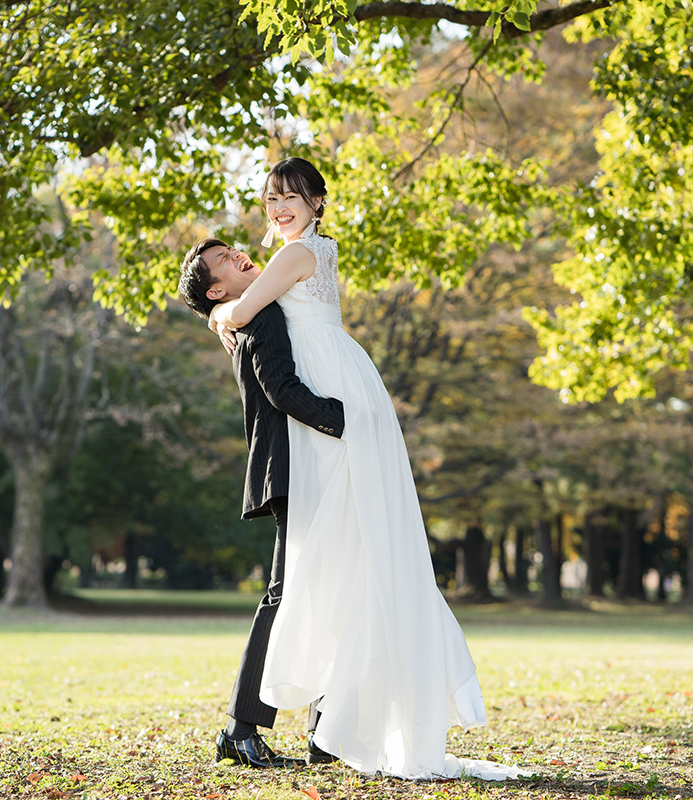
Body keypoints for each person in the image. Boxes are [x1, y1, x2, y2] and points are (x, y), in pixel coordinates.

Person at [204, 157, 531, 780]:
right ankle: (317, 731)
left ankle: (292, 728)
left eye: (293, 195)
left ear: (318, 202)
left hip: (332, 412)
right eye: (272, 196)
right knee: (334, 568)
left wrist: (222, 313)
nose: (280, 205)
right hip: (337, 405)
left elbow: (242, 314)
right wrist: (227, 306)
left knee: (320, 573)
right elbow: (258, 328)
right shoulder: (308, 254)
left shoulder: (294, 256)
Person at [177, 238, 344, 769]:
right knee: (285, 594)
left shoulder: (249, 312)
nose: (239, 255)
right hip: (295, 469)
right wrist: (347, 418)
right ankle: (242, 728)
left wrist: (222, 314)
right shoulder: (263, 316)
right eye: (223, 261)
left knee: (321, 594)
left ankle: (322, 732)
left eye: (233, 249)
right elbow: (280, 389)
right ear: (218, 289)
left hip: (295, 468)